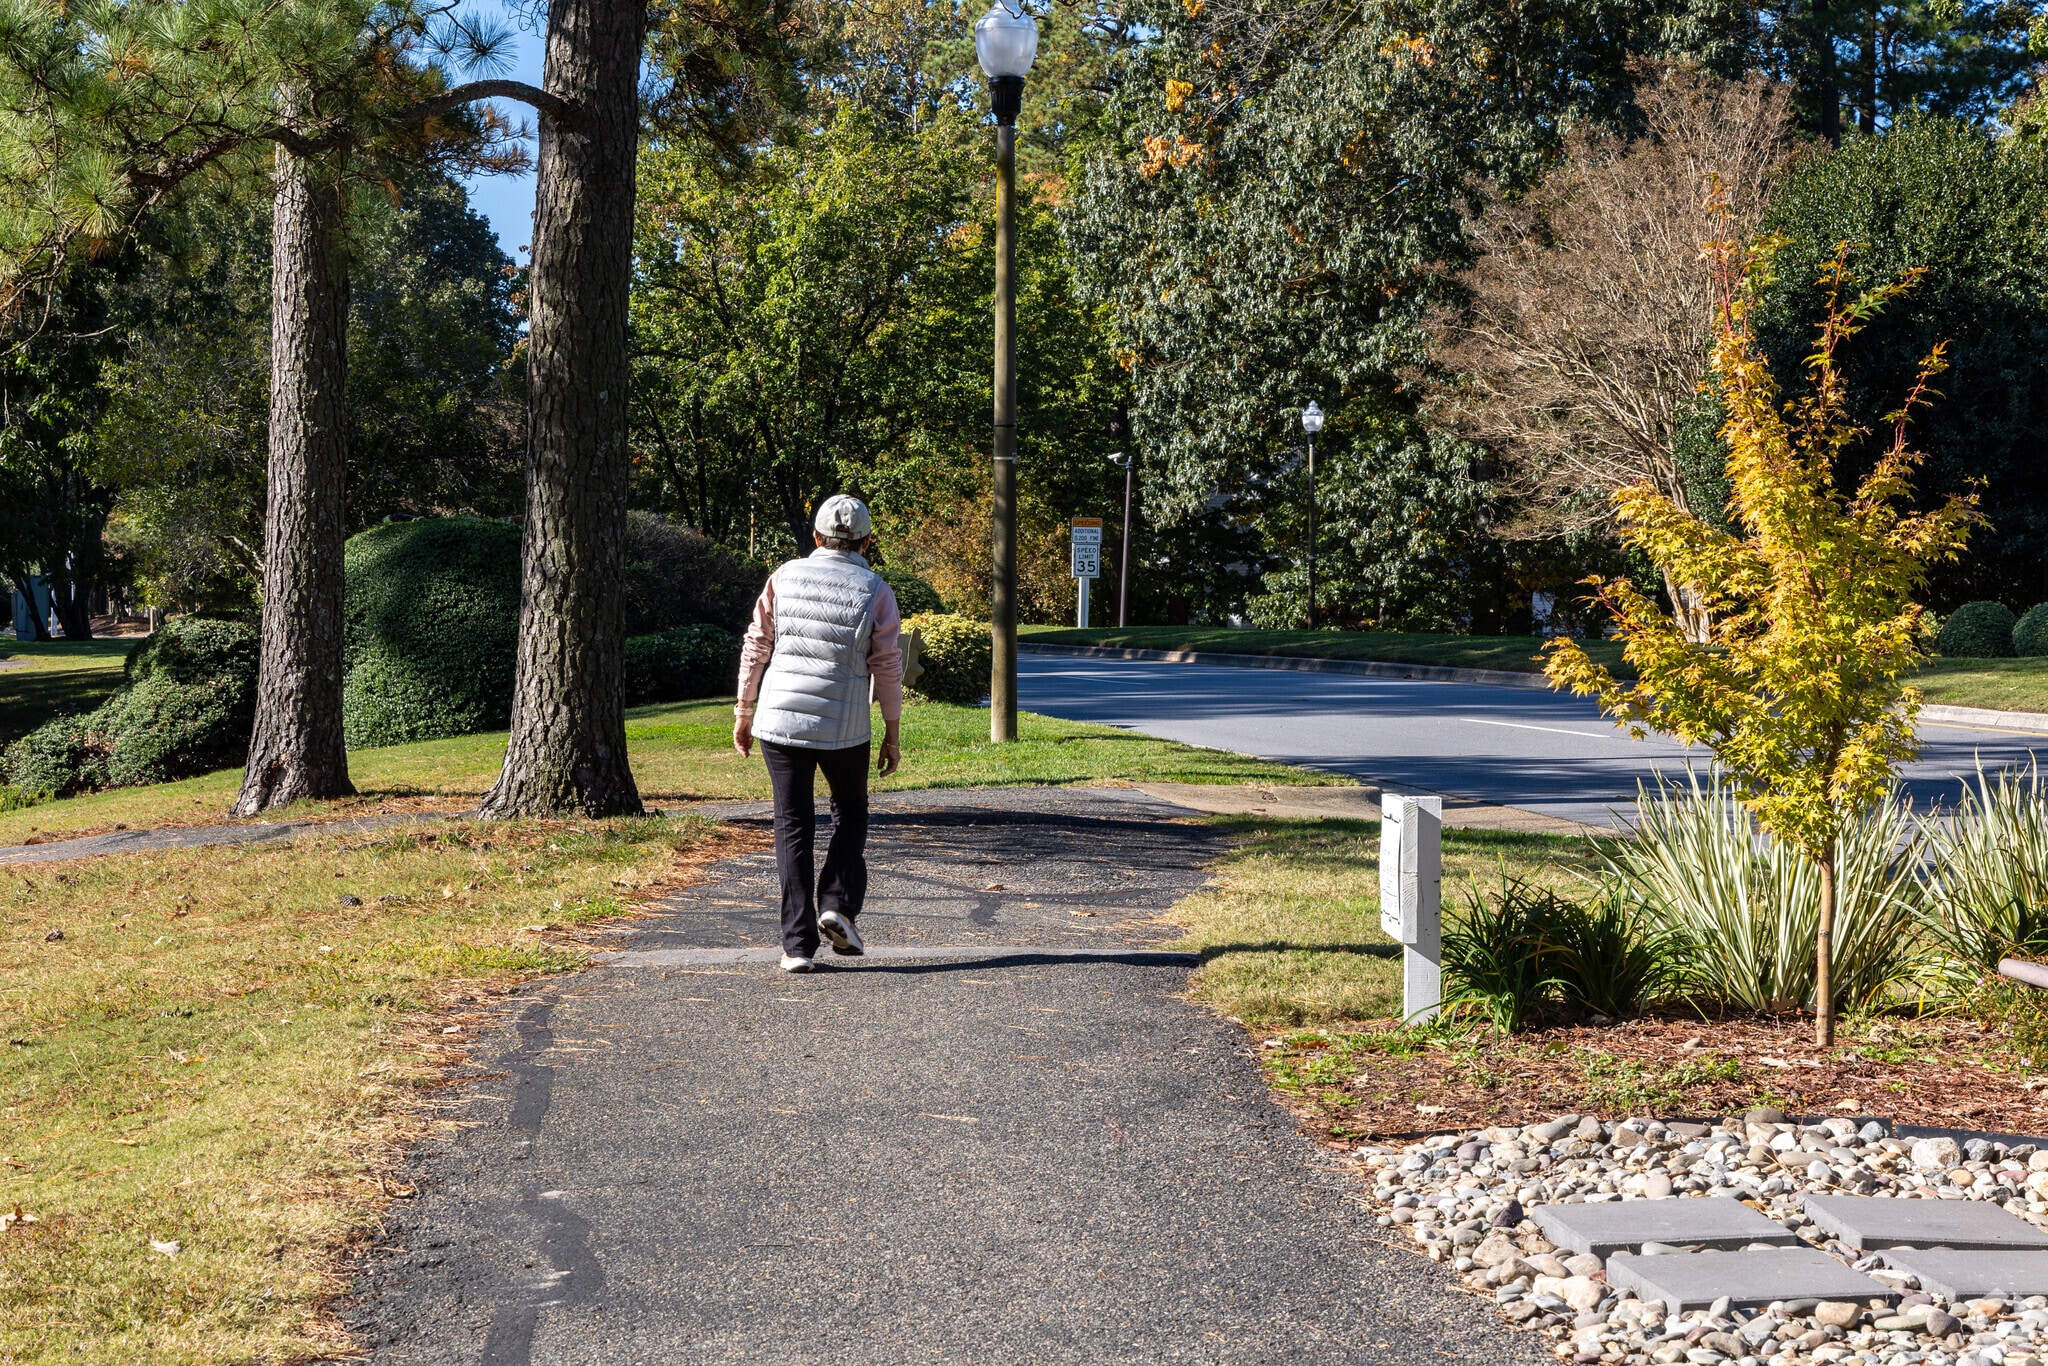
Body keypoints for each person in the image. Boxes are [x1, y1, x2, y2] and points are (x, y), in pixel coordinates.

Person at [732, 495, 904, 973]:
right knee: (850, 810)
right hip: (845, 724)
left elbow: (757, 642)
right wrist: (892, 731)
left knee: (792, 823)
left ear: (815, 537)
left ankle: (797, 947)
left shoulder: (783, 576)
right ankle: (838, 904)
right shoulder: (876, 590)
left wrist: (744, 709)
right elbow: (887, 664)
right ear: (867, 541)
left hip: (780, 718)